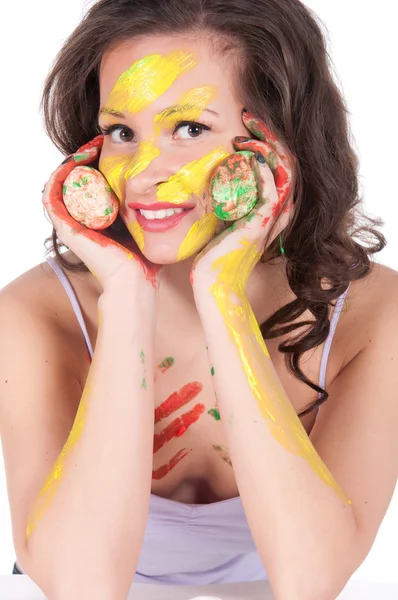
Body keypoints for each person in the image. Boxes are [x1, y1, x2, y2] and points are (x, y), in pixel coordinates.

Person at [1, 0, 397, 598]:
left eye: (190, 128)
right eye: (121, 132)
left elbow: (311, 581)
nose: (142, 173)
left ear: (277, 142)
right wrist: (128, 301)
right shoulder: (33, 314)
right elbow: (80, 587)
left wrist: (222, 298)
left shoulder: (374, 315)